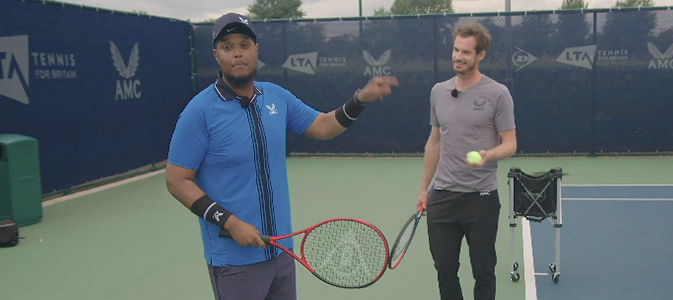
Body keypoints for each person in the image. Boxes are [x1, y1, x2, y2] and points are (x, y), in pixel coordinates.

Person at [165, 12, 398, 300]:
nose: (237, 53)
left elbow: (323, 126)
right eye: (227, 47)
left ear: (256, 50)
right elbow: (177, 181)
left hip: (281, 253)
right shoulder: (199, 111)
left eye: (244, 44)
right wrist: (231, 223)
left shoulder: (275, 97)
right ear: (216, 55)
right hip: (235, 261)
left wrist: (360, 100)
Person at [417, 23, 517, 300]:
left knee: (483, 271)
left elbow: (510, 143)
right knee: (445, 268)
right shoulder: (438, 91)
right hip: (443, 197)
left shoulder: (498, 94)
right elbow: (434, 141)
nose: (458, 56)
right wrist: (425, 188)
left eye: (465, 52)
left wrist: (489, 155)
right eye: (455, 50)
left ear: (480, 55)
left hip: (481, 198)